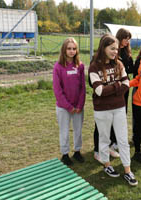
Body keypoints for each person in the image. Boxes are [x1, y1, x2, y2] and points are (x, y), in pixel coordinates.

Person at [88, 34, 138, 186]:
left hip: (119, 107)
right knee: (104, 139)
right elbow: (99, 91)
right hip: (102, 109)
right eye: (112, 48)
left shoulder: (119, 64)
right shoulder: (94, 66)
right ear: (103, 48)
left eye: (116, 49)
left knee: (123, 139)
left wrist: (112, 87)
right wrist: (117, 85)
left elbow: (126, 84)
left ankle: (128, 171)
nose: (115, 51)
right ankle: (106, 165)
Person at [53, 37, 86, 166]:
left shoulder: (80, 66)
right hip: (63, 107)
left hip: (78, 107)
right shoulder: (58, 67)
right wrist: (68, 106)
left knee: (78, 130)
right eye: (69, 48)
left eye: (74, 48)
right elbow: (57, 90)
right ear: (64, 50)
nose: (72, 51)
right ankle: (65, 154)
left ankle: (77, 151)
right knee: (64, 131)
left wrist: (79, 105)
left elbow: (83, 87)